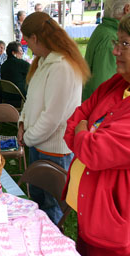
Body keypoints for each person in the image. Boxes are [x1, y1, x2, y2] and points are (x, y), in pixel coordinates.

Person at [63, 14, 130, 256]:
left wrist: (84, 129)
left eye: (125, 44)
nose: (116, 52)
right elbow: (76, 117)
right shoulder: (116, 83)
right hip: (89, 210)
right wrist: (85, 131)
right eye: (117, 43)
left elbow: (94, 151)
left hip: (111, 227)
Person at [17, 12, 90, 225]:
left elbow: (52, 117)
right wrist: (22, 123)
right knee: (38, 202)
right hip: (37, 143)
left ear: (36, 38)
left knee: (51, 207)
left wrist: (28, 137)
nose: (27, 46)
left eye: (27, 40)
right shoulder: (44, 61)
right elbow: (31, 100)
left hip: (53, 150)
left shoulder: (62, 66)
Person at [82, 0, 130, 101]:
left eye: (124, 43)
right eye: (123, 43)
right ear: (127, 9)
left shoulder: (104, 30)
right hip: (97, 110)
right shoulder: (109, 37)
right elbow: (103, 87)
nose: (116, 51)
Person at [0, 41, 30, 108]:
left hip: (6, 97)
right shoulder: (23, 64)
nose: (22, 53)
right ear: (13, 53)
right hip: (20, 97)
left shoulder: (3, 65)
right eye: (20, 51)